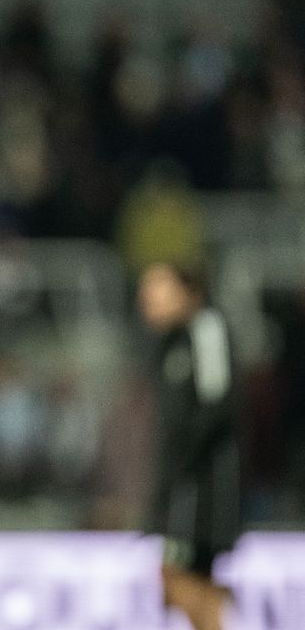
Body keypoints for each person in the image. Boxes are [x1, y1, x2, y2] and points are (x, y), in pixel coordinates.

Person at [138, 262, 242, 630]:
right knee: (187, 579)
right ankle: (219, 604)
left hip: (203, 487)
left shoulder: (206, 328)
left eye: (158, 289)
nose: (147, 299)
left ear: (188, 292)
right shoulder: (169, 342)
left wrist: (181, 467)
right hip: (184, 486)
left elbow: (217, 404)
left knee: (178, 576)